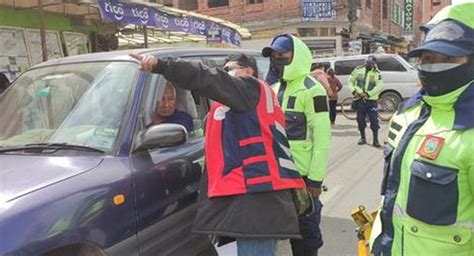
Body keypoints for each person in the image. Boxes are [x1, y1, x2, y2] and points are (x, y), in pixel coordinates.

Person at [130, 52, 307, 256]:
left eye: (231, 69)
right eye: (224, 70)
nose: (226, 73)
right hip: (244, 198)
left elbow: (208, 79)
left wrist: (163, 66)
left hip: (254, 201)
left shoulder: (250, 88)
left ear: (249, 71)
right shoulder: (248, 102)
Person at [370, 2, 474, 255]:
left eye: (448, 58)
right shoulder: (408, 113)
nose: (434, 66)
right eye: (428, 58)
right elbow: (393, 194)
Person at [263, 34, 331, 256]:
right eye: (274, 56)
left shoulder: (313, 90)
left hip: (302, 179)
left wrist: (315, 179)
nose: (277, 59)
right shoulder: (271, 88)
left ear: (296, 56)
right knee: (287, 233)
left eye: (282, 55)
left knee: (307, 236)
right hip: (276, 177)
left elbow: (322, 140)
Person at [348, 55, 384, 147]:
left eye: (371, 63)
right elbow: (350, 81)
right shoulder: (358, 70)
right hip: (360, 100)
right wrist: (354, 91)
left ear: (374, 64)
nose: (368, 65)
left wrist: (368, 94)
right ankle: (362, 137)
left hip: (371, 101)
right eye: (367, 62)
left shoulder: (377, 73)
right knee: (360, 120)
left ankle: (375, 140)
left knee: (374, 121)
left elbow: (379, 86)